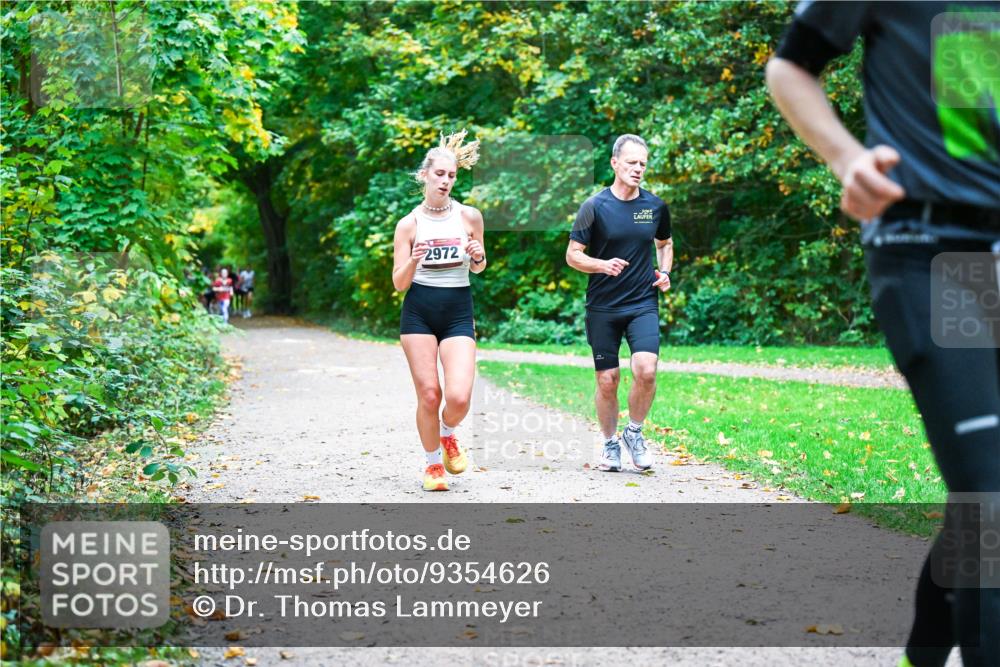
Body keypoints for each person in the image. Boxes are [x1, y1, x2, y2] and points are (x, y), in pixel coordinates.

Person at [767, 3, 999, 665]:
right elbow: (789, 68)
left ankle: (923, 654)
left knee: (980, 496)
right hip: (930, 249)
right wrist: (846, 158)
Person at [566, 134, 673, 472]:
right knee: (607, 379)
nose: (638, 169)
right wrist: (601, 265)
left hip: (642, 302)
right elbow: (572, 256)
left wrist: (665, 271)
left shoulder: (655, 207)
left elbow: (665, 243)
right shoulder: (594, 207)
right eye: (631, 162)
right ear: (615, 163)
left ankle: (635, 433)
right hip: (603, 308)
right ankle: (610, 443)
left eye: (642, 163)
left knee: (647, 369)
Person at [392, 130, 485, 492]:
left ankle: (448, 432)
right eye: (440, 174)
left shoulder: (469, 217)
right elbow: (399, 283)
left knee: (459, 397)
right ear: (424, 176)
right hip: (418, 313)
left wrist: (477, 256)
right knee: (430, 393)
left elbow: (479, 266)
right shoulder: (409, 225)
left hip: (458, 311)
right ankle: (433, 466)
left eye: (451, 175)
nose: (446, 181)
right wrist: (414, 260)